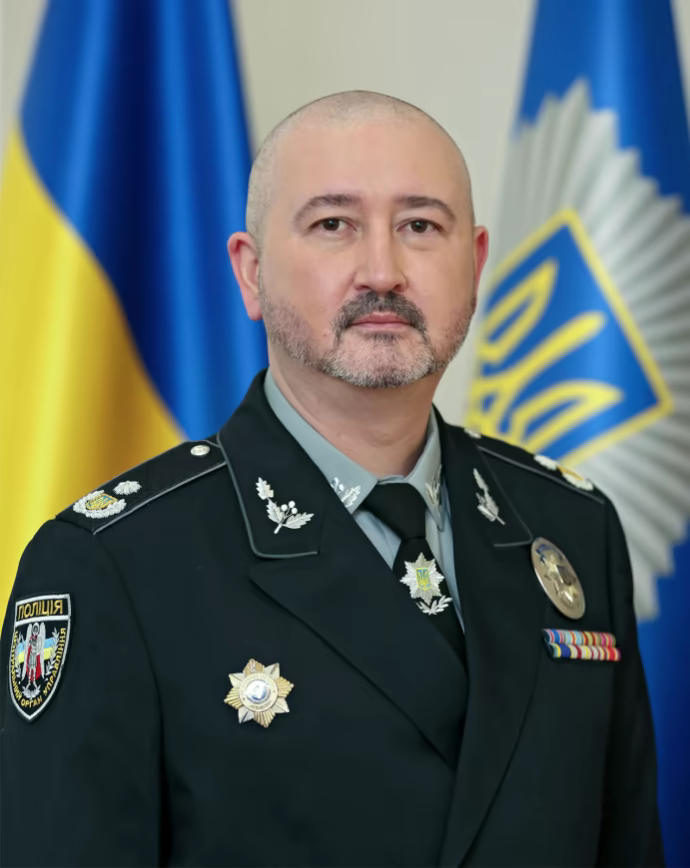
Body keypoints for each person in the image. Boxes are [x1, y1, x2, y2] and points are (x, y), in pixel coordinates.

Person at [0, 91, 663, 867]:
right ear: (251, 273)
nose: (382, 271)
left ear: (476, 265)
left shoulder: (572, 529)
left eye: (421, 226)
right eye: (333, 225)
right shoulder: (112, 565)